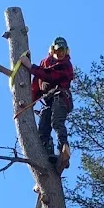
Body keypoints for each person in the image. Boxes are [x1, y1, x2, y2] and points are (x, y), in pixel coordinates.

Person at [21, 37, 74, 167]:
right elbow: (37, 84)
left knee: (57, 121)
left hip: (60, 97)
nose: (60, 54)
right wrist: (29, 102)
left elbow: (50, 75)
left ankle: (63, 149)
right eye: (58, 50)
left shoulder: (66, 65)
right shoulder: (45, 63)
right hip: (48, 100)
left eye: (62, 51)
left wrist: (30, 66)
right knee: (43, 128)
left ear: (66, 51)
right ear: (52, 50)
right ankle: (47, 153)